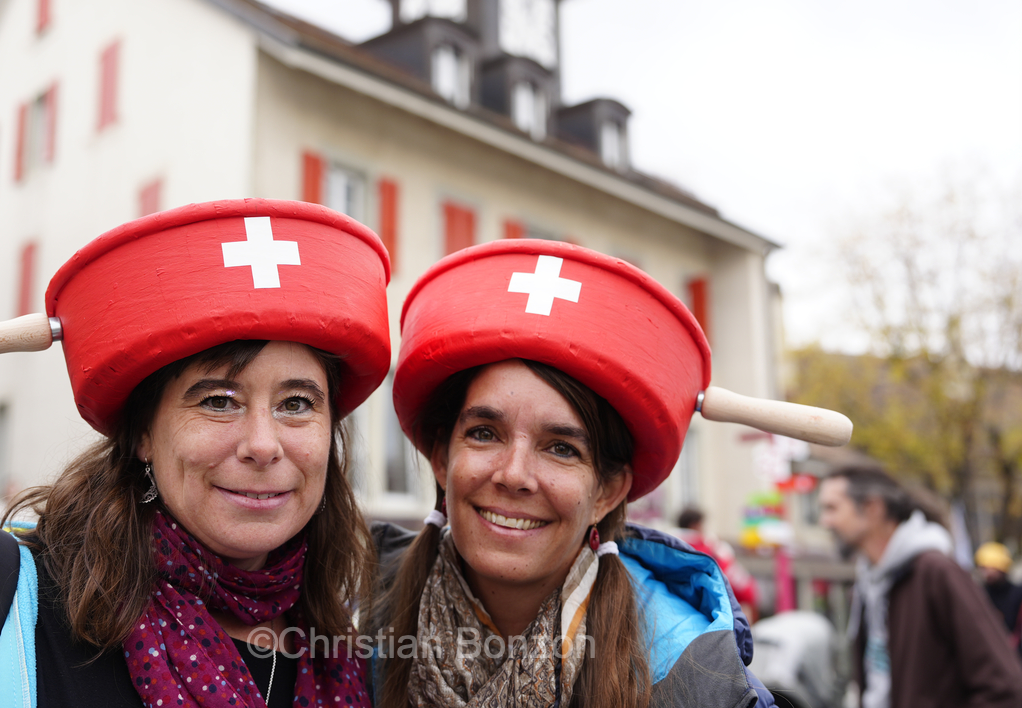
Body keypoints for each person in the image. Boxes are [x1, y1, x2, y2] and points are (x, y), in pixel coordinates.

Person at [0, 200, 392, 708]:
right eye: (218, 400)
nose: (264, 444)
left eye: (297, 403)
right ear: (142, 432)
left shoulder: (364, 649)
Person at [372, 239, 773, 708]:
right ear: (442, 458)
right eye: (484, 433)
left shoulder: (696, 682)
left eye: (561, 448)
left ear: (607, 491)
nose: (514, 474)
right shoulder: (347, 628)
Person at [818, 465, 1022, 708]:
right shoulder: (867, 584)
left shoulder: (936, 572)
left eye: (832, 508)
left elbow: (1003, 687)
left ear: (872, 508)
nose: (824, 522)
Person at [676, 505, 760, 621]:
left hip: (678, 614)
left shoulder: (665, 548)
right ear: (695, 525)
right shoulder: (710, 549)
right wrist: (750, 599)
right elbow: (739, 582)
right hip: (714, 616)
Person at [975, 542, 1022, 651]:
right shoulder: (980, 593)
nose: (987, 573)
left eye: (992, 568)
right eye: (984, 568)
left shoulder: (1018, 593)